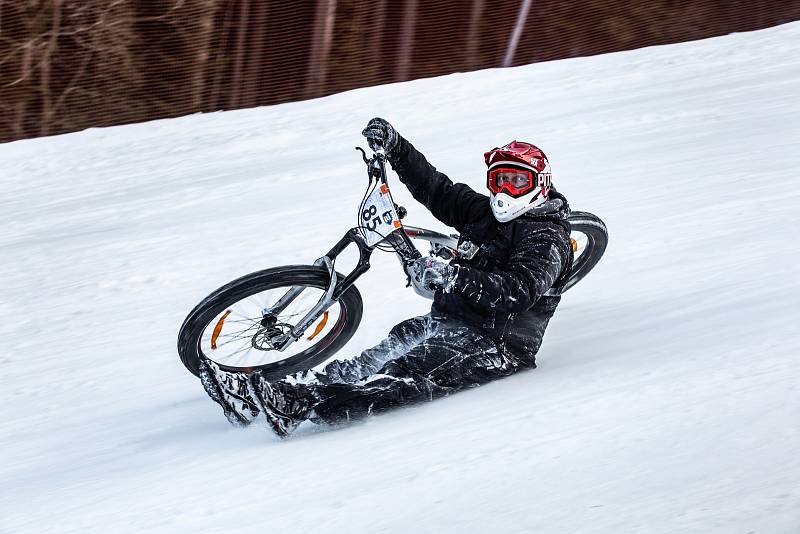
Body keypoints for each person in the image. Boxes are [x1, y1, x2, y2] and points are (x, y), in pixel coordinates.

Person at [200, 118, 573, 437]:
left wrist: (454, 276)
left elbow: (519, 291)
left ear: (540, 184)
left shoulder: (546, 236)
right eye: (499, 180)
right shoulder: (484, 211)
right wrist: (397, 148)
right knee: (366, 362)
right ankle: (260, 398)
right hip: (447, 318)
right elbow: (436, 189)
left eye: (517, 182)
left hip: (496, 343)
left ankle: (298, 407)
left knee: (402, 375)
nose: (506, 191)